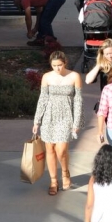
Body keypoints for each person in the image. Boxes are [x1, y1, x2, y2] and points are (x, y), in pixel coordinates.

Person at [32, 50, 84, 194]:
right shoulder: (47, 77)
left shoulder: (74, 76)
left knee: (61, 151)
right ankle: (53, 181)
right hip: (49, 116)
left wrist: (76, 122)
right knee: (49, 149)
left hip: (66, 116)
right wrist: (37, 121)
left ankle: (65, 172)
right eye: (54, 66)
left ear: (65, 63)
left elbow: (78, 101)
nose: (57, 68)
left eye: (60, 65)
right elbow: (42, 99)